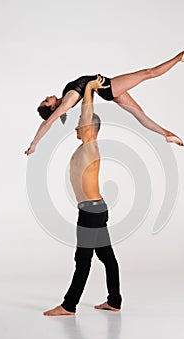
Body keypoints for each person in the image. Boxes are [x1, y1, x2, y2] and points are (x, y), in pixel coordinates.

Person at [43, 76, 122, 316]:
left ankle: (69, 306)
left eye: (81, 124)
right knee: (106, 256)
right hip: (94, 209)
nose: (77, 127)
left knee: (83, 259)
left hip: (91, 211)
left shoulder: (90, 143)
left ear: (90, 128)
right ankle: (114, 301)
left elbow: (87, 112)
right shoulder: (85, 146)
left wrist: (89, 89)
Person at [24, 47, 184, 156]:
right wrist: (34, 143)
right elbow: (47, 123)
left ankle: (167, 134)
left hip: (108, 90)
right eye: (47, 100)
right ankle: (180, 58)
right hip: (108, 87)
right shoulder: (67, 101)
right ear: (52, 106)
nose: (48, 96)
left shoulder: (65, 96)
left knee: (139, 113)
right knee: (148, 73)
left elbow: (48, 121)